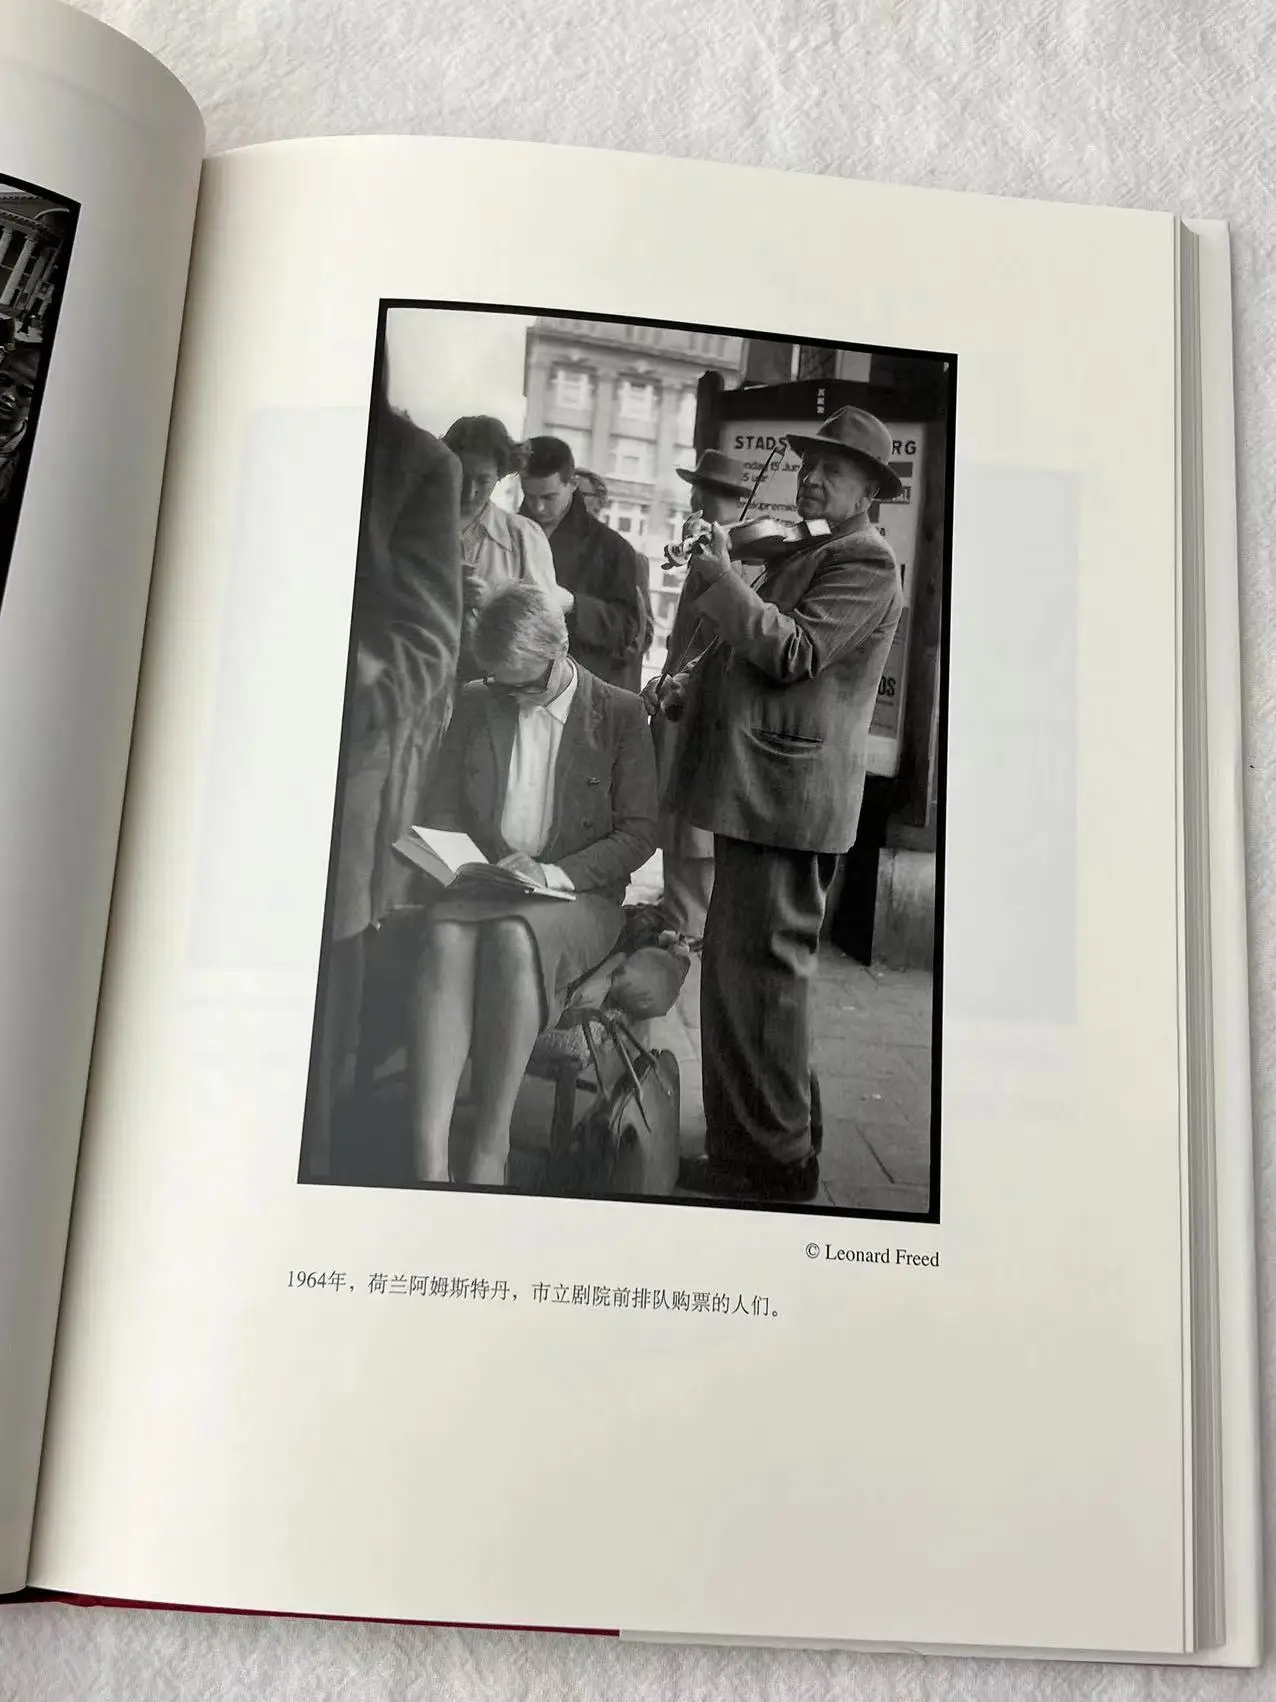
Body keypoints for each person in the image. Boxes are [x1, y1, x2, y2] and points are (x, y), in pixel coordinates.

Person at [656, 408, 904, 1203]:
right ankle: (768, 1144)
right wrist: (690, 691)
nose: (812, 477)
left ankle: (769, 1169)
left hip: (784, 801)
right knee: (747, 982)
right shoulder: (816, 549)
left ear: (871, 488)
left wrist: (718, 575)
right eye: (808, 464)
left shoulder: (866, 561)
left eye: (833, 468)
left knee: (760, 981)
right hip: (760, 795)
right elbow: (751, 659)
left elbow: (793, 653)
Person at [408, 581, 658, 1187]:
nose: (511, 697)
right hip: (486, 880)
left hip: (578, 898)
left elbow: (641, 833)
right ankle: (428, 1160)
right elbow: (441, 805)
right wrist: (453, 858)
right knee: (445, 938)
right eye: (499, 683)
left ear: (560, 651)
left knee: (515, 940)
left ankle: (489, 1150)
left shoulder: (620, 714)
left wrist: (553, 872)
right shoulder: (480, 697)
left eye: (523, 684)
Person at [303, 379, 464, 1178]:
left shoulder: (412, 464)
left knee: (315, 1026)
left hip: (335, 782)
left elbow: (429, 643)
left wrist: (337, 700)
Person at [641, 449, 752, 940]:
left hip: (705, 708)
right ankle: (680, 914)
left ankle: (691, 926)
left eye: (699, 491)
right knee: (675, 810)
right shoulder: (702, 552)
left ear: (710, 496)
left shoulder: (736, 559)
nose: (693, 499)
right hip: (677, 700)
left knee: (694, 820)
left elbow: (722, 639)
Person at [520, 435, 651, 691]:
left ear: (572, 484)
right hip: (512, 682)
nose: (538, 507)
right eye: (529, 496)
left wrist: (572, 604)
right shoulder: (506, 531)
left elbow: (627, 630)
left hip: (576, 692)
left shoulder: (614, 548)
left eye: (548, 497)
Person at [441, 415, 558, 676]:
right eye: (461, 476)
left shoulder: (524, 537)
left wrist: (492, 605)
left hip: (490, 693)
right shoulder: (418, 528)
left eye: (483, 480)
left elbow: (547, 632)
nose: (469, 492)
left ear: (500, 475)